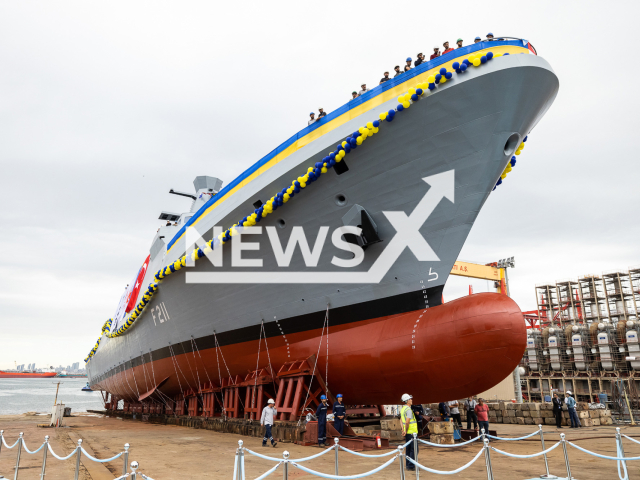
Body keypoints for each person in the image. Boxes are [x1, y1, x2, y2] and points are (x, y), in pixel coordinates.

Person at [400, 394, 418, 471]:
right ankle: (411, 466)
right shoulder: (409, 410)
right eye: (410, 399)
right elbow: (407, 422)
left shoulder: (403, 409)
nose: (411, 400)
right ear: (407, 401)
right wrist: (406, 430)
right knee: (414, 450)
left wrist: (403, 430)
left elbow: (400, 420)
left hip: (408, 433)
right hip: (412, 433)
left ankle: (408, 464)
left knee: (408, 449)